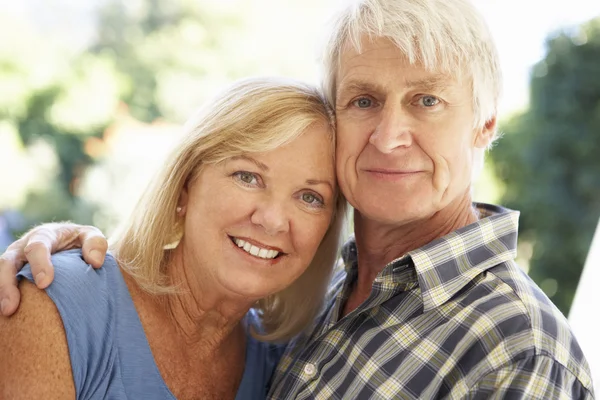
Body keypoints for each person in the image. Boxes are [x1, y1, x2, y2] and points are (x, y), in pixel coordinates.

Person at [0, 0, 595, 398]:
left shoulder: (520, 348)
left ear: (485, 123)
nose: (389, 136)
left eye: (427, 101)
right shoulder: (303, 319)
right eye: (363, 100)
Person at [0, 77, 348, 399]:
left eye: (309, 197)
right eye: (248, 176)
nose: (273, 221)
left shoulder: (283, 366)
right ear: (184, 187)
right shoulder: (58, 305)